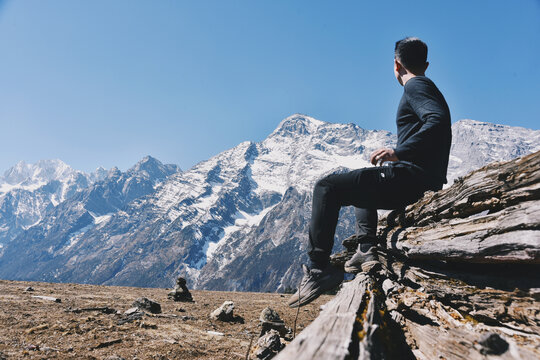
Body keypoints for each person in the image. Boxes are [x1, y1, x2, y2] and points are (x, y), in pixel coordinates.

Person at [288, 37, 452, 308]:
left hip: (411, 178)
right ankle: (366, 248)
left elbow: (437, 121)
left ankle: (318, 270)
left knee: (327, 187)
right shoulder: (423, 84)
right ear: (426, 63)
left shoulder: (417, 86)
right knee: (362, 183)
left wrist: (399, 152)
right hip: (420, 178)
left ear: (396, 64)